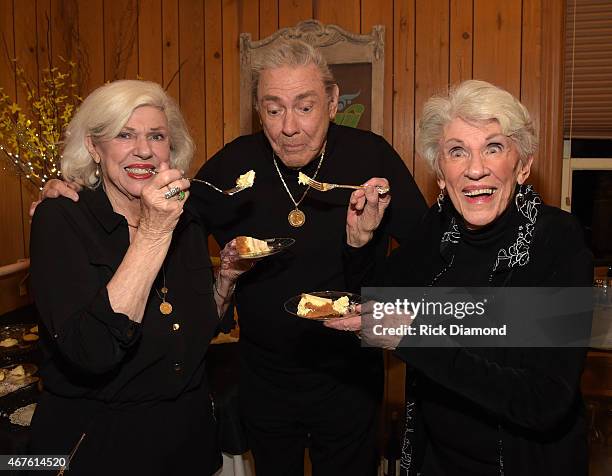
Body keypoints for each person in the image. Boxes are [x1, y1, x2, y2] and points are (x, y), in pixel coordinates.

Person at [35, 40, 427, 475]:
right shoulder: (235, 164)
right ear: (259, 110)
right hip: (263, 378)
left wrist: (363, 254)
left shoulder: (372, 156)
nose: (289, 127)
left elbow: (424, 258)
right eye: (274, 109)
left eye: (305, 107)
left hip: (350, 377)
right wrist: (65, 188)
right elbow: (161, 212)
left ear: (333, 103)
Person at [329, 80, 593, 475]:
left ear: (523, 165)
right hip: (436, 459)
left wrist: (414, 337)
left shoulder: (559, 240)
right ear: (440, 173)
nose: (475, 169)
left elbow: (546, 401)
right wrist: (361, 240)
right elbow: (374, 301)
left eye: (494, 147)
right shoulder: (437, 227)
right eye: (457, 152)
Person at [28, 80, 250, 476]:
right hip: (99, 446)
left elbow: (195, 330)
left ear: (172, 149)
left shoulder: (187, 216)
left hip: (188, 443)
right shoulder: (60, 218)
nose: (144, 149)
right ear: (94, 147)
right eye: (124, 135)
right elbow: (91, 351)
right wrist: (152, 233)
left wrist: (225, 283)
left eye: (157, 136)